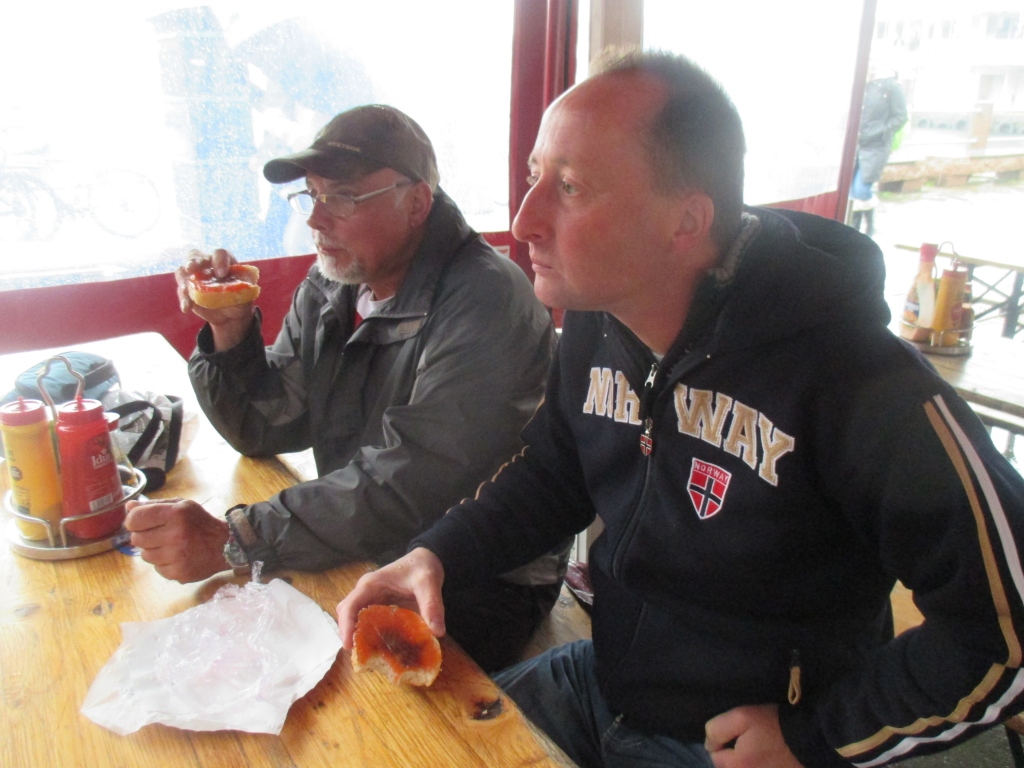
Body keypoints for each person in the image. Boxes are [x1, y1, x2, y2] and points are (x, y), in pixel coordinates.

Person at [337, 51, 1024, 768]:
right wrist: (437, 554)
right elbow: (555, 474)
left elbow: (1007, 631)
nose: (523, 220)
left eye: (569, 187)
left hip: (742, 742)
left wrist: (816, 737)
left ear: (686, 222)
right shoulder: (598, 318)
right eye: (537, 176)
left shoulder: (857, 378)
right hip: (606, 680)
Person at [125, 104, 567, 672]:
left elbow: (411, 483)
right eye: (311, 195)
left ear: (416, 203)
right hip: (366, 537)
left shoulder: (486, 302)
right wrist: (230, 332)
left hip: (476, 574)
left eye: (342, 197)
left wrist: (239, 538)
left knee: (324, 693)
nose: (316, 219)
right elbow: (266, 427)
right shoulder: (335, 283)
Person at [850, 66, 907, 237]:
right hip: (856, 145)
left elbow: (901, 116)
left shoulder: (889, 87)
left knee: (861, 189)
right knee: (851, 190)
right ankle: (856, 229)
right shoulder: (861, 84)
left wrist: (881, 132)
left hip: (876, 146)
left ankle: (868, 228)